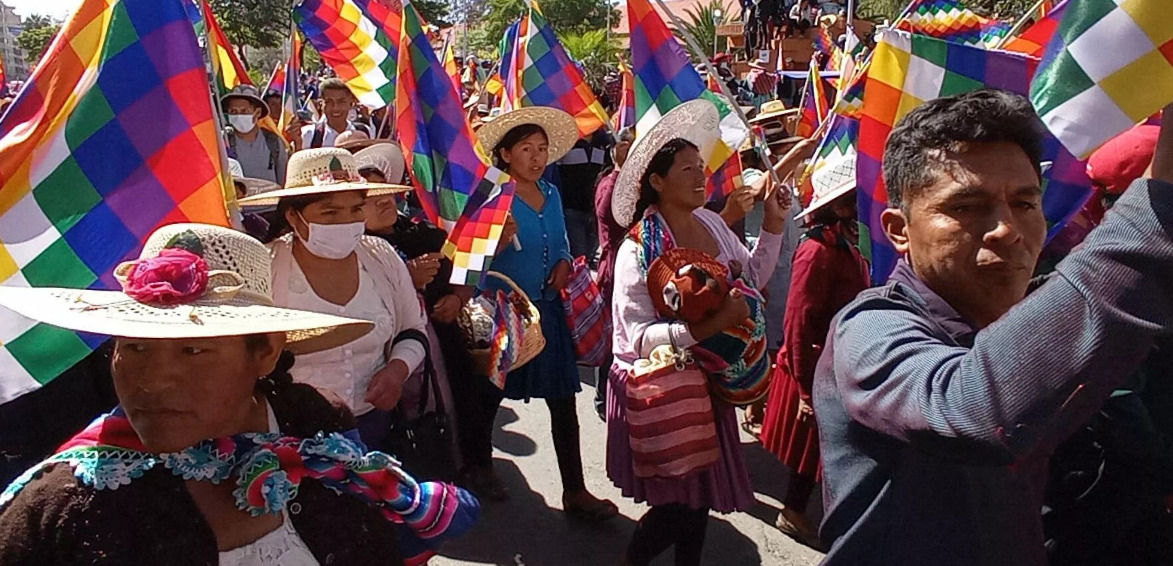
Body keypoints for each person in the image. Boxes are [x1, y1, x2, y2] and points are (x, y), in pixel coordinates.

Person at [814, 90, 1173, 565]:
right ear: (899, 230)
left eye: (1025, 204)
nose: (1006, 229)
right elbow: (966, 408)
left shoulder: (1031, 312)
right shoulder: (869, 328)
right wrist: (1156, 202)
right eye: (966, 207)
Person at [0, 223, 479, 565]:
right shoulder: (58, 510)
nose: (152, 380)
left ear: (266, 353)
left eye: (192, 350)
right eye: (136, 347)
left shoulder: (316, 429)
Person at [608, 100, 791, 566]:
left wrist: (771, 226)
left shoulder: (711, 222)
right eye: (686, 170)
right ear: (656, 181)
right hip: (667, 389)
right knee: (676, 503)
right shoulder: (639, 251)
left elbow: (750, 274)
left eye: (700, 168)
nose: (699, 178)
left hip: (714, 381)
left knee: (699, 497)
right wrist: (710, 326)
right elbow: (637, 336)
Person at [473, 106, 619, 520]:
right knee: (489, 397)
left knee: (563, 404)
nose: (537, 157)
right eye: (526, 149)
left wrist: (561, 262)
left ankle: (575, 491)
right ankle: (480, 464)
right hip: (503, 314)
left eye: (541, 149)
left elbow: (562, 245)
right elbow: (469, 259)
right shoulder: (490, 195)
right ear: (505, 154)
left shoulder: (552, 194)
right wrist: (496, 244)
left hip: (548, 312)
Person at [239, 148, 424, 450]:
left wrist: (398, 369)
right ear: (293, 216)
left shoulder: (382, 258)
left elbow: (412, 330)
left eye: (355, 210)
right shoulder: (263, 267)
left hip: (373, 424)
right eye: (330, 212)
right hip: (287, 434)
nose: (346, 222)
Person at [759, 152, 868, 551]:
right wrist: (805, 389)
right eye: (854, 198)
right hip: (817, 366)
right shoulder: (818, 251)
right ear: (836, 205)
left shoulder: (848, 242)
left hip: (838, 361)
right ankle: (795, 513)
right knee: (813, 453)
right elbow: (798, 321)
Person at [358, 142, 470, 481]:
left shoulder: (422, 234)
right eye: (370, 196)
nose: (383, 200)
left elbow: (462, 274)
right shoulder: (352, 250)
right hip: (383, 365)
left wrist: (457, 299)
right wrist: (408, 278)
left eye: (387, 191)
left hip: (440, 347)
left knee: (454, 406)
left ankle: (459, 467)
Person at [592, 126, 636, 420]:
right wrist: (621, 169)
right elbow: (609, 213)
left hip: (635, 271)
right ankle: (602, 399)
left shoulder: (638, 183)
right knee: (611, 339)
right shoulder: (609, 183)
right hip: (614, 271)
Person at [558, 129, 613, 263]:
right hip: (571, 210)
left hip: (595, 212)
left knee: (589, 255)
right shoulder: (566, 141)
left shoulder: (604, 142)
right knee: (579, 258)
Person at [222, 85, 288, 185]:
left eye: (244, 111)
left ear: (257, 113)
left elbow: (283, 182)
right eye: (233, 111)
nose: (238, 116)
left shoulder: (273, 142)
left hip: (270, 199)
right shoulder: (223, 142)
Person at [300, 78, 375, 149]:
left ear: (351, 103)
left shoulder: (365, 131)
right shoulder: (309, 135)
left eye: (341, 102)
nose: (335, 108)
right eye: (329, 102)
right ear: (321, 104)